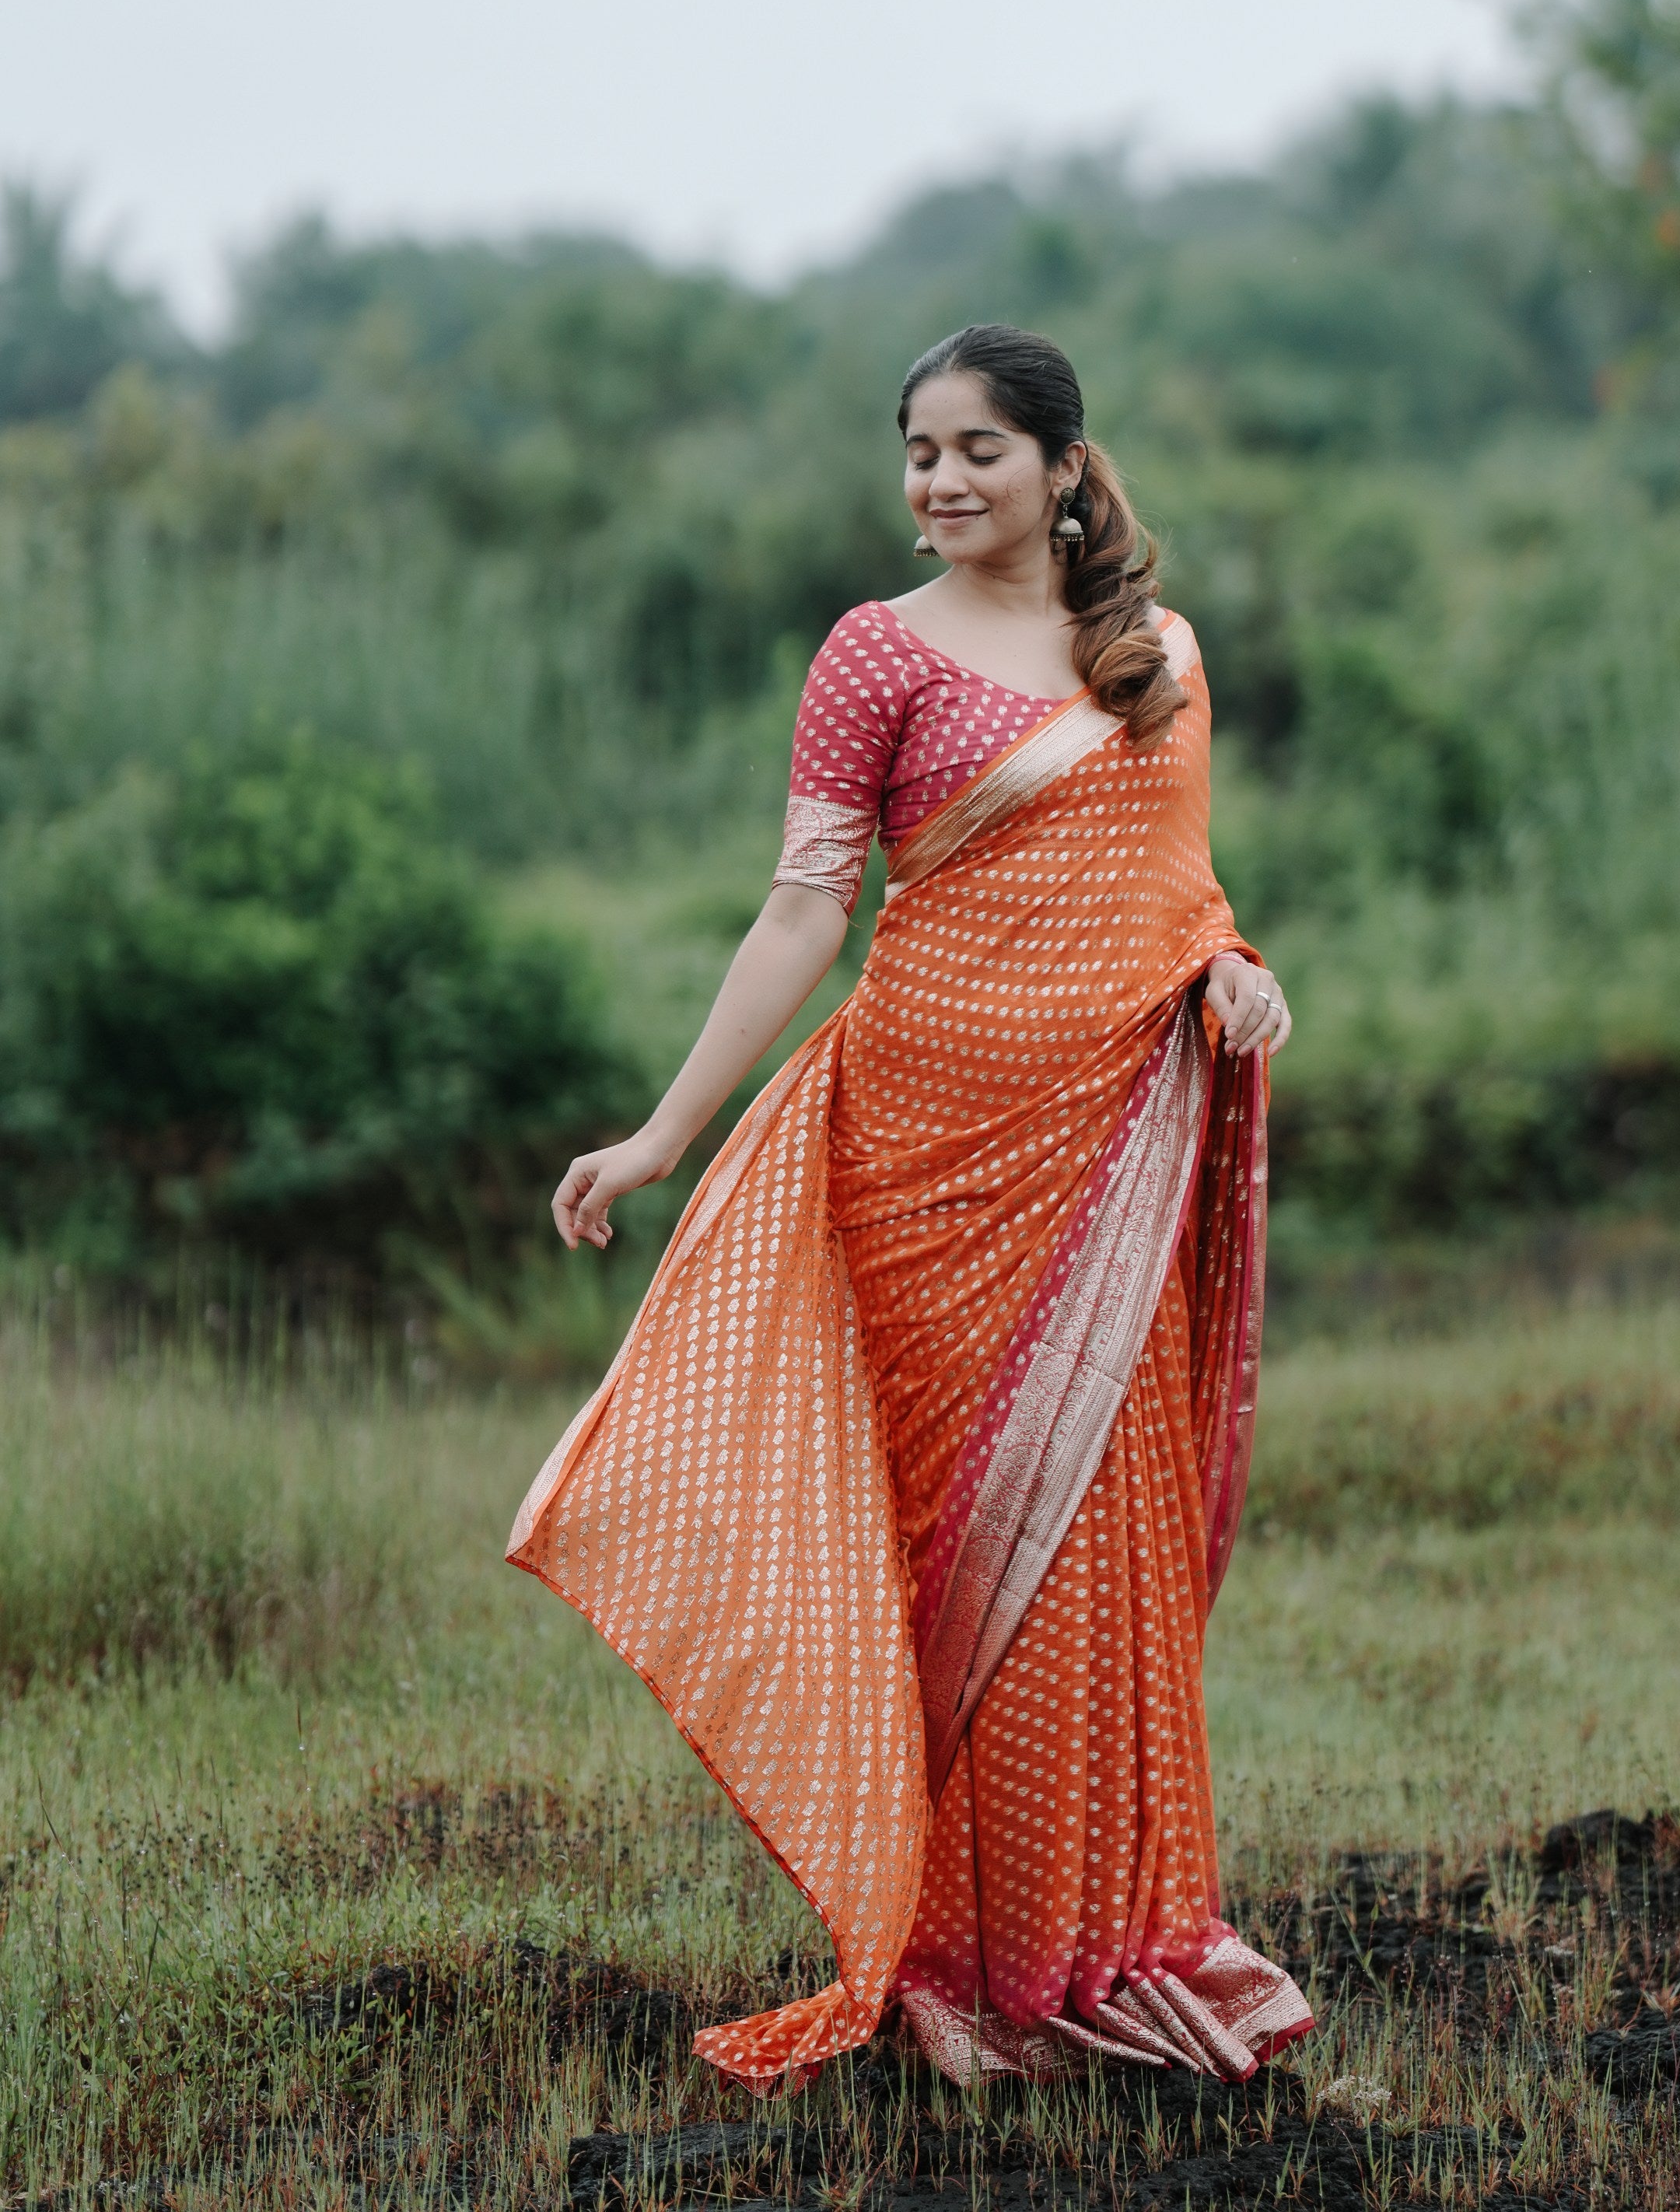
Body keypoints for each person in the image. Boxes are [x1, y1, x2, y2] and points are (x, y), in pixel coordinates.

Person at [508, 324, 1309, 2092]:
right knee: (947, 1558)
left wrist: (1233, 972)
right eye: (917, 452)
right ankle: (950, 1960)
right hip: (921, 1161)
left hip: (1099, 1158)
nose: (941, 482)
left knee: (1087, 1563)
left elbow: (1180, 893)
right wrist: (656, 1136)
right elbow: (803, 916)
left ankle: (1094, 1955)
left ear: (1066, 470)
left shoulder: (1155, 657)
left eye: (978, 451)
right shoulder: (873, 656)